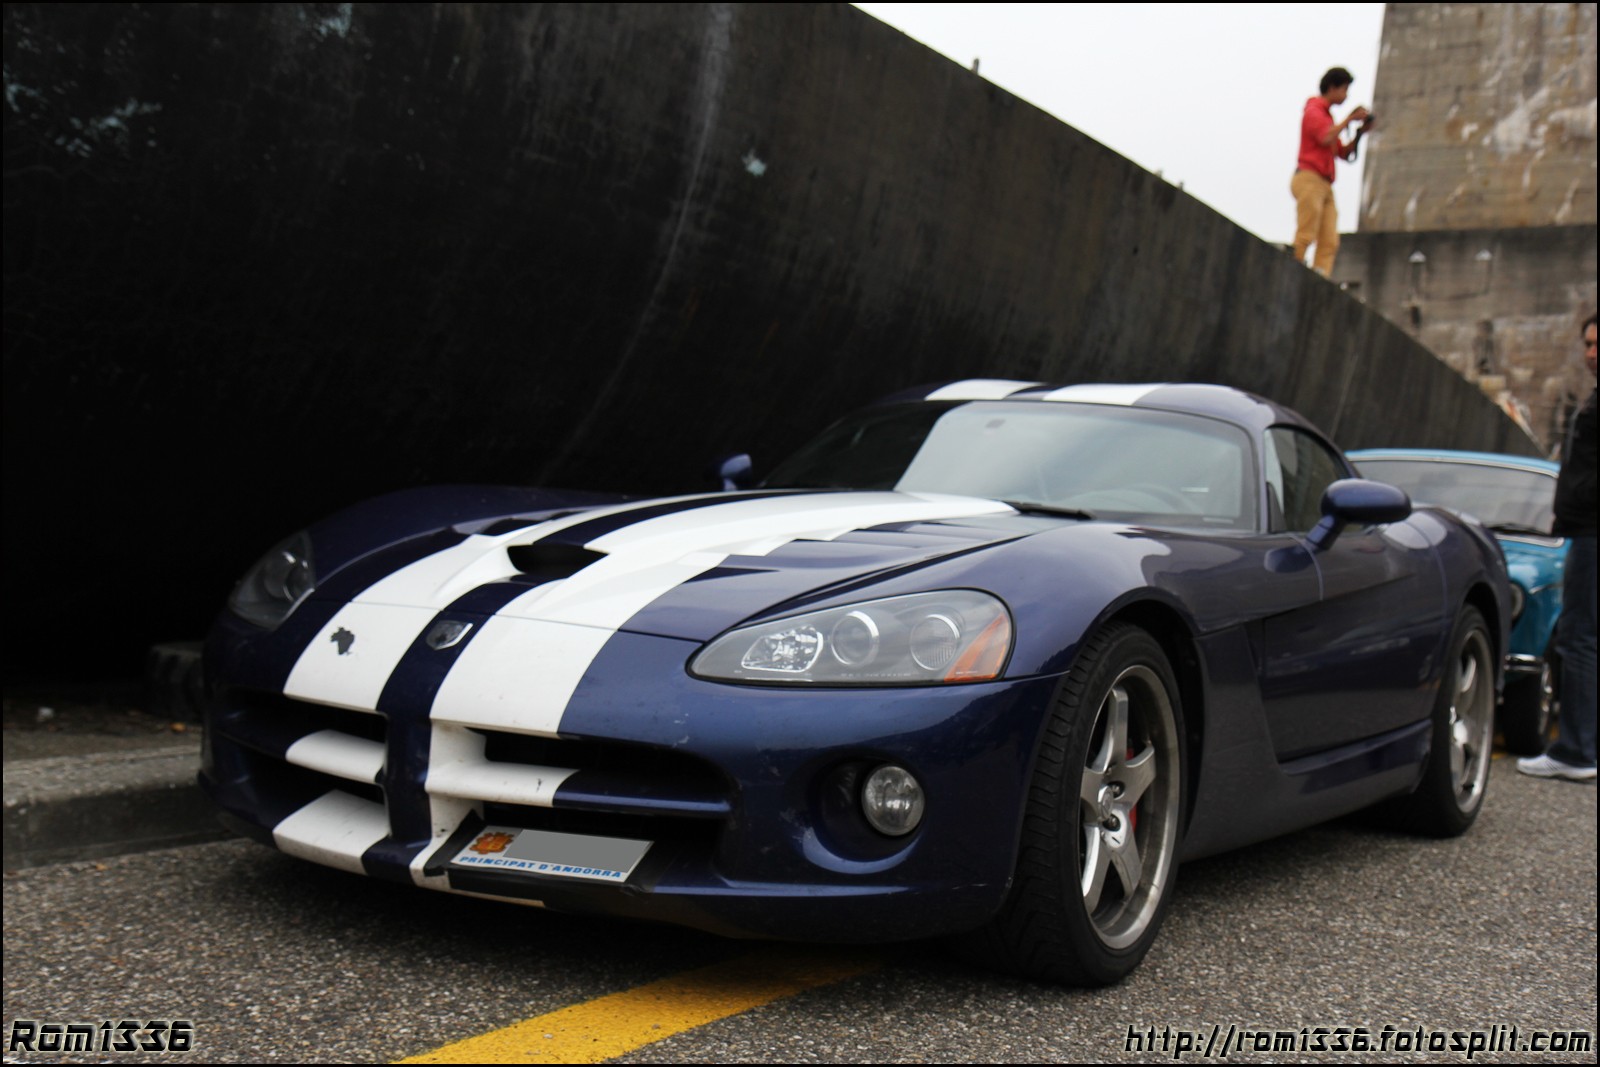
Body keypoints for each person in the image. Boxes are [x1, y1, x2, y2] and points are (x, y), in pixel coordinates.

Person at [1519, 313, 1597, 781]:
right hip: (1586, 528)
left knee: (1578, 637)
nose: (1592, 352)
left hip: (1592, 532)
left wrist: (1579, 504)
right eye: (1588, 343)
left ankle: (1576, 751)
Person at [1292, 67, 1371, 276]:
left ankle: (1320, 275)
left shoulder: (1327, 118)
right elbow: (1326, 137)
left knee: (1329, 240)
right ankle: (1295, 265)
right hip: (1309, 177)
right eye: (1344, 89)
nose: (1346, 95)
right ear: (1332, 87)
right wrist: (1349, 119)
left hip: (1325, 183)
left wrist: (1360, 133)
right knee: (1307, 231)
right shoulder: (1314, 111)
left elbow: (1343, 152)